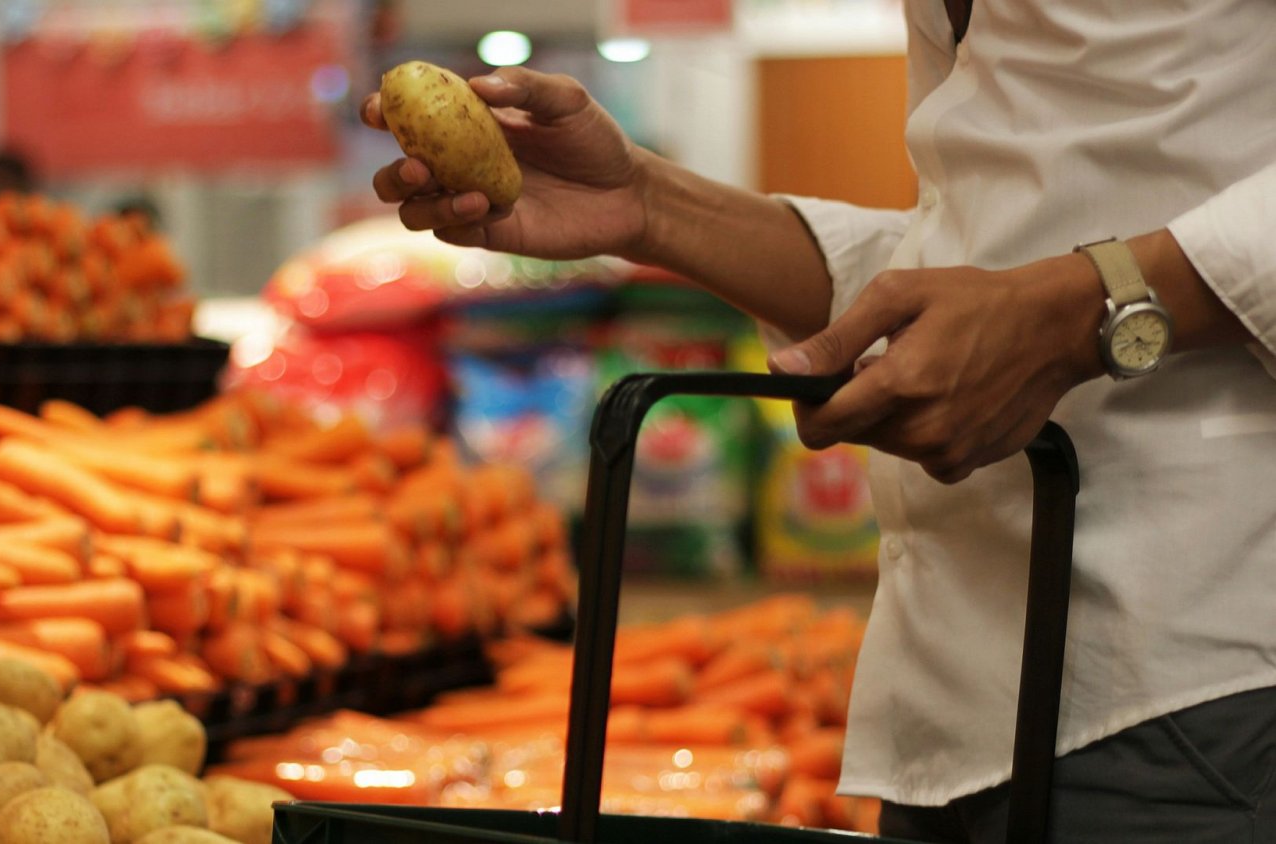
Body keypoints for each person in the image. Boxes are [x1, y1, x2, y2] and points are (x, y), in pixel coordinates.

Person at [362, 2, 1276, 841]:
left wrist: (1085, 309)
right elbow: (973, 267)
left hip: (1196, 675)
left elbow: (1041, 289)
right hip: (950, 700)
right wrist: (647, 206)